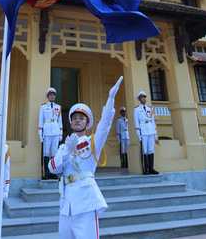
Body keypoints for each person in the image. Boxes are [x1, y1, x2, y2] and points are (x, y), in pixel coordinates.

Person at [48, 76, 123, 238]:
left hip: (86, 201)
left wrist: (110, 99)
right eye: (74, 118)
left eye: (81, 118)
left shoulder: (92, 142)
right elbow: (52, 168)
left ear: (87, 123)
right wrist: (66, 152)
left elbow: (105, 124)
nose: (77, 121)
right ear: (70, 122)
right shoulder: (63, 146)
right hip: (66, 203)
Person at [38, 87, 62, 180]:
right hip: (47, 130)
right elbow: (41, 120)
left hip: (56, 130)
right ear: (48, 97)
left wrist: (60, 133)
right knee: (46, 152)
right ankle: (46, 173)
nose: (52, 97)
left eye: (53, 95)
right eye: (50, 95)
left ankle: (53, 172)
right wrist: (40, 133)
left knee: (55, 153)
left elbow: (60, 121)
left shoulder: (58, 107)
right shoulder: (43, 107)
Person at [133, 91, 159, 175]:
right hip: (143, 130)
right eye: (142, 97)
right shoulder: (137, 109)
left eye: (145, 97)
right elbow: (136, 122)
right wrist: (138, 133)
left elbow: (152, 121)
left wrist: (155, 132)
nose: (144, 99)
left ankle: (151, 168)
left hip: (150, 129)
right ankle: (146, 168)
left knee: (151, 149)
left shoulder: (149, 108)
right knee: (144, 150)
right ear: (139, 99)